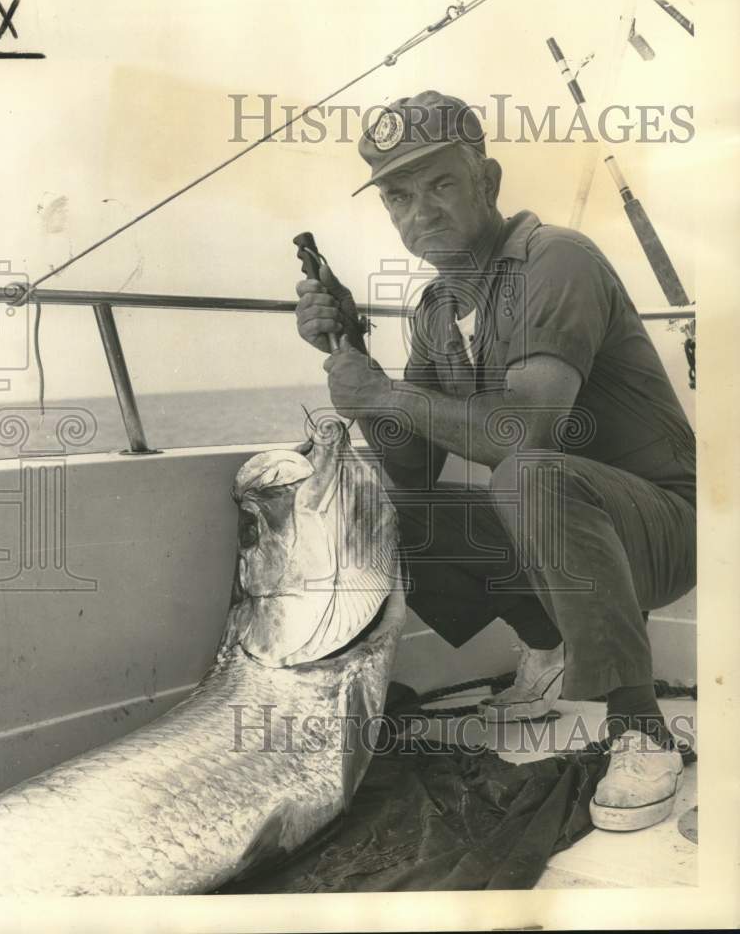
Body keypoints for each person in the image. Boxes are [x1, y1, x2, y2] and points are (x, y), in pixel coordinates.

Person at [294, 90, 696, 832]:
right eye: (398, 195)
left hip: (668, 528)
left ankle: (638, 728)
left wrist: (384, 394)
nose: (421, 210)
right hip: (562, 525)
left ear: (488, 179)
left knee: (526, 472)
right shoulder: (436, 310)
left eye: (442, 183)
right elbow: (410, 475)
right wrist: (355, 356)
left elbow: (524, 434)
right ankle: (544, 650)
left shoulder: (556, 260)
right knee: (386, 515)